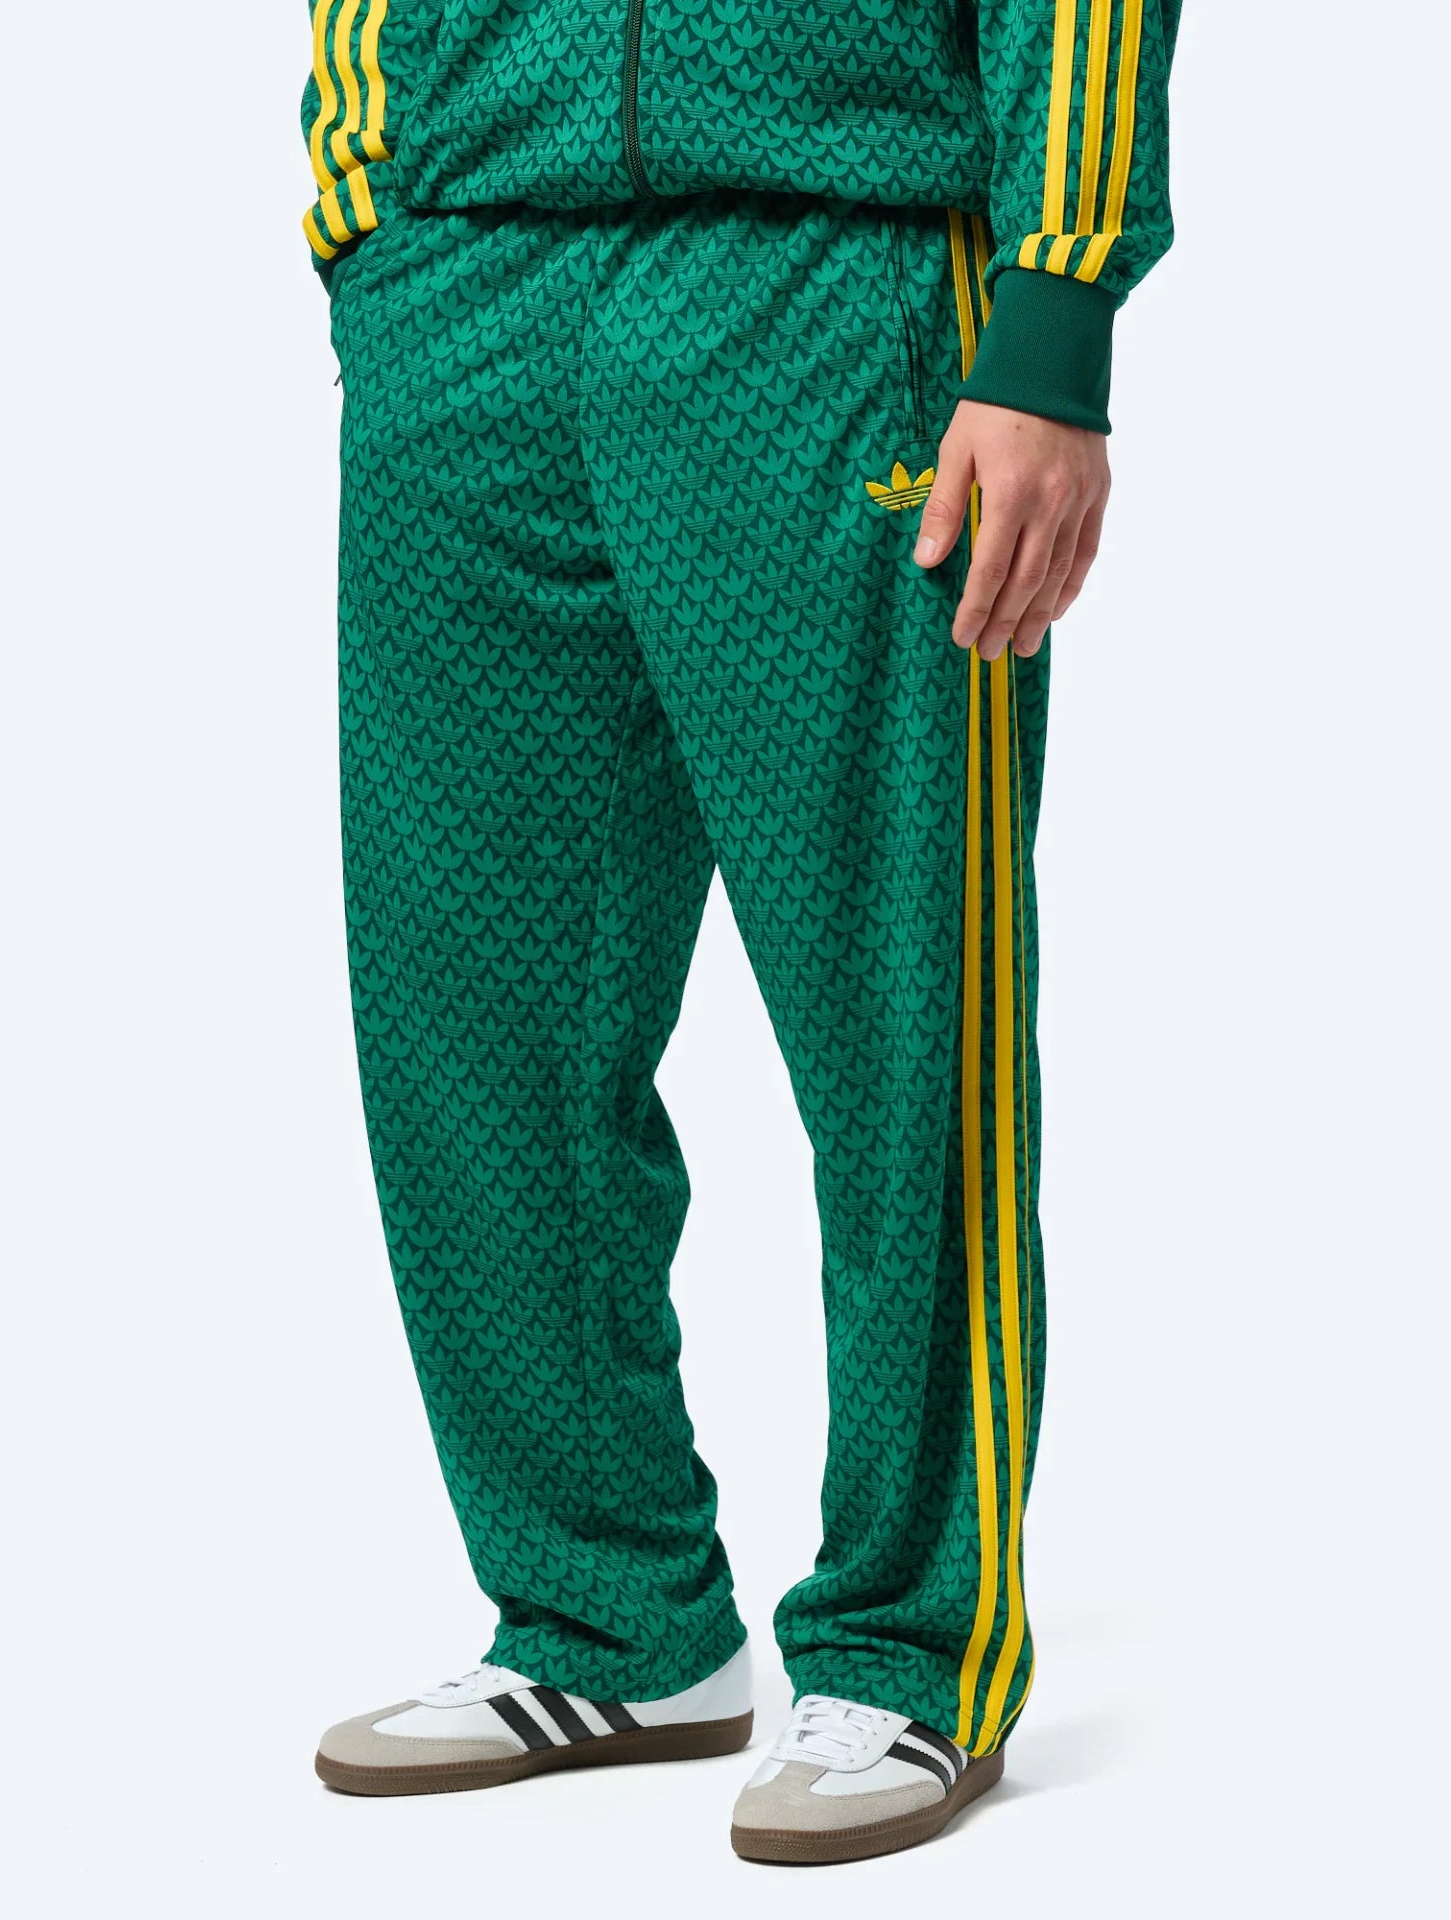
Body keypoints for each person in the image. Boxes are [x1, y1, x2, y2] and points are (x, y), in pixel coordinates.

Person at [301, 0, 1178, 1866]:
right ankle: (605, 1616)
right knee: (470, 1015)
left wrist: (1057, 300)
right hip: (467, 265)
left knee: (898, 1011)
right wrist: (368, 208)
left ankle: (911, 1647)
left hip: (830, 263)